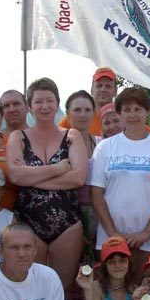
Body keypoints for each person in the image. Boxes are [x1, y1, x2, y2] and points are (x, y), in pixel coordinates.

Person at [6, 77, 88, 300]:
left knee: (64, 287)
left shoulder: (71, 136)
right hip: (28, 222)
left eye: (49, 101)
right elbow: (14, 175)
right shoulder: (18, 137)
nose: (44, 106)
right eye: (38, 101)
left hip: (67, 223)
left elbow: (78, 177)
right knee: (32, 287)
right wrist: (58, 168)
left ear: (57, 103)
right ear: (30, 106)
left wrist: (32, 178)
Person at [91, 87, 150, 274]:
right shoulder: (105, 148)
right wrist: (113, 232)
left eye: (138, 109)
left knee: (144, 295)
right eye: (127, 110)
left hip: (149, 241)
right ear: (119, 113)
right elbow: (96, 193)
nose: (132, 115)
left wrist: (147, 232)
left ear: (147, 111)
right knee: (112, 295)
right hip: (109, 239)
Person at [66, 90, 100, 245]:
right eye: (77, 110)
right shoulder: (58, 146)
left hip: (101, 213)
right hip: (69, 214)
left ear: (94, 113)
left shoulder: (102, 145)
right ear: (68, 114)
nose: (82, 115)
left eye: (87, 110)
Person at [60, 67, 118, 136]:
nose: (103, 89)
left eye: (108, 86)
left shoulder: (122, 116)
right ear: (92, 89)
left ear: (115, 91)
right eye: (99, 86)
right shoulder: (76, 116)